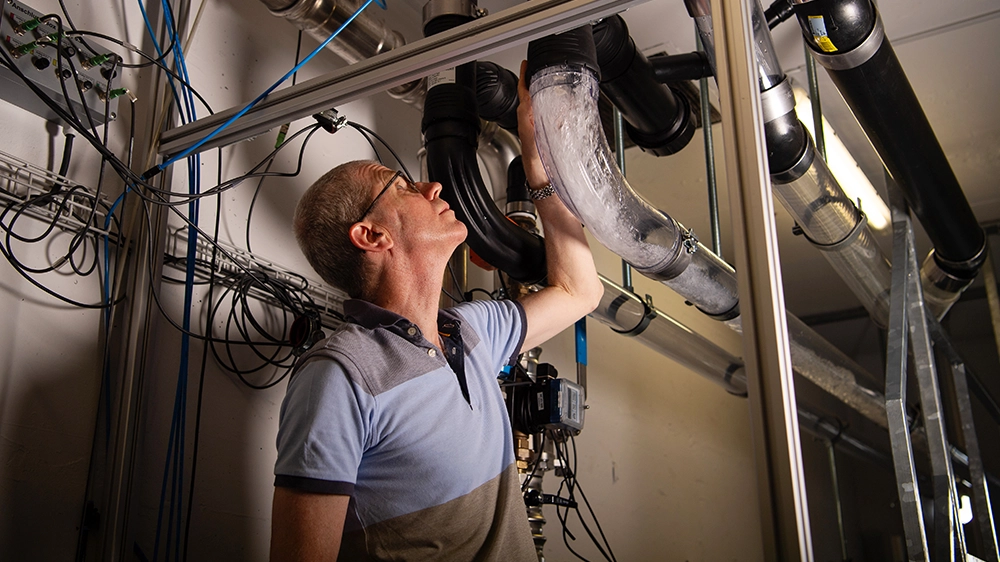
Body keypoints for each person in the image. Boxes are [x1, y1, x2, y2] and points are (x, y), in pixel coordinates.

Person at [269, 62, 603, 561]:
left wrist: (539, 158)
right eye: (402, 187)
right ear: (372, 236)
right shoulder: (341, 377)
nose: (433, 188)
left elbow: (581, 291)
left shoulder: (471, 331)